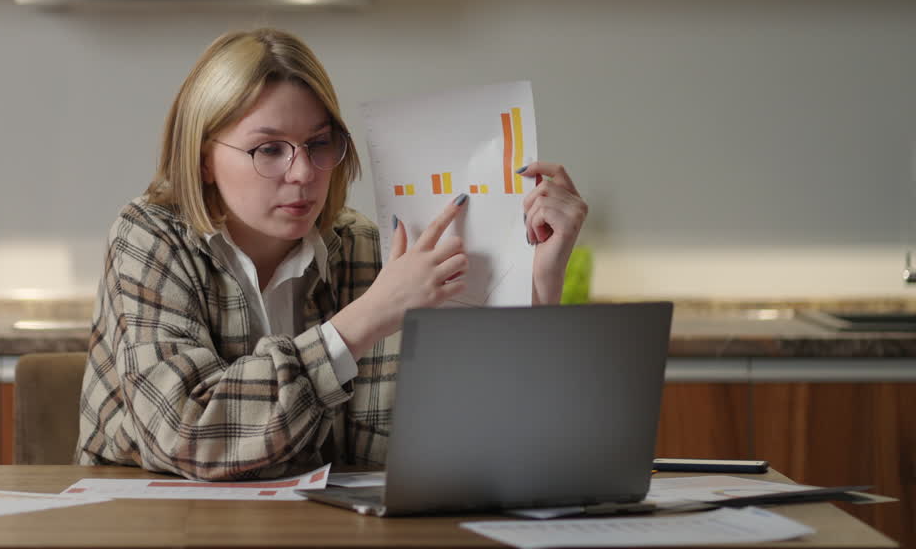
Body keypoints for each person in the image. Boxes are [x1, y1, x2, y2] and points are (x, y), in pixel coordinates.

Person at [76, 28, 587, 480]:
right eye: (269, 149)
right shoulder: (149, 237)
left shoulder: (365, 247)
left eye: (318, 144)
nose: (303, 173)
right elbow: (187, 432)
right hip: (149, 522)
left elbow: (459, 441)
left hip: (317, 530)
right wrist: (362, 322)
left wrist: (539, 285)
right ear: (204, 158)